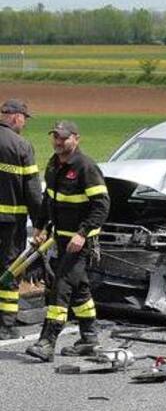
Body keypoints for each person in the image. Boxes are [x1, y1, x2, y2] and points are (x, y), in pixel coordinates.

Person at [25, 121, 110, 361]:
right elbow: (48, 199)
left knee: (60, 286)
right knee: (80, 288)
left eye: (63, 138)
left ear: (76, 139)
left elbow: (102, 206)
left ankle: (46, 342)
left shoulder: (85, 167)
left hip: (81, 243)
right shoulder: (53, 164)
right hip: (61, 239)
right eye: (55, 137)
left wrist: (82, 233)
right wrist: (41, 227)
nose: (58, 142)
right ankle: (89, 339)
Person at [0, 99, 41, 340]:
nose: (24, 124)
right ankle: (5, 325)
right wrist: (40, 223)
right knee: (10, 269)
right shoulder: (21, 146)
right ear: (16, 117)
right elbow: (33, 191)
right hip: (10, 221)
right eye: (24, 119)